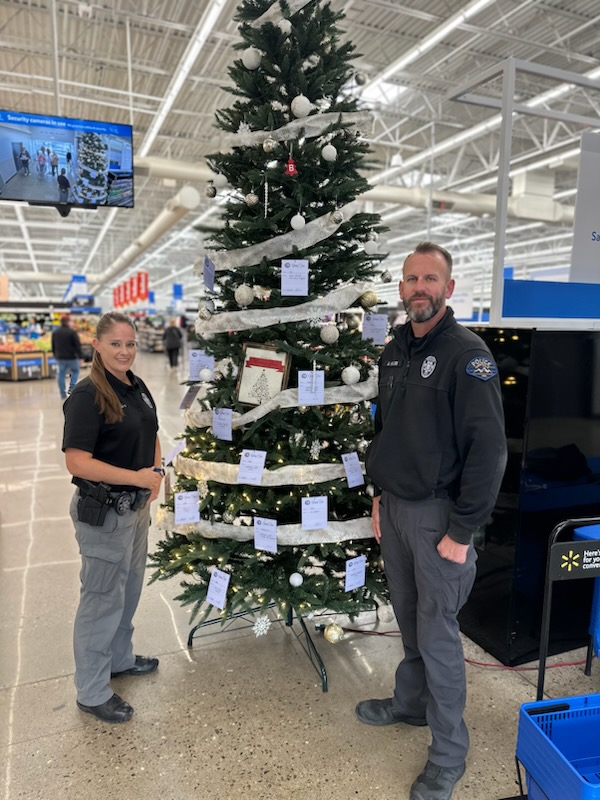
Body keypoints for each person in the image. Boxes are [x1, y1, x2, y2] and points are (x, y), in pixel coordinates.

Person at [359, 242, 507, 800]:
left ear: (448, 286)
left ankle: (448, 755)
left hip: (440, 518)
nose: (419, 287)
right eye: (410, 279)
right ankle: (410, 704)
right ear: (401, 288)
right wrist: (379, 493)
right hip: (395, 511)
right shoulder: (394, 350)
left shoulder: (468, 356)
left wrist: (461, 532)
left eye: (430, 279)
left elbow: (489, 452)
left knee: (440, 635)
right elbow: (387, 431)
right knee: (409, 620)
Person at [62, 311, 164, 724]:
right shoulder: (87, 396)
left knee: (128, 589)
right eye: (116, 344)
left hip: (135, 508)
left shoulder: (134, 385)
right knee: (101, 599)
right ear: (97, 346)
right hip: (103, 512)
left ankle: (119, 658)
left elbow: (152, 432)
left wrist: (155, 475)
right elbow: (78, 462)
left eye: (131, 343)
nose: (125, 351)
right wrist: (135, 477)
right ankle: (91, 690)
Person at [51, 315, 83, 399]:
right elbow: (77, 346)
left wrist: (55, 354)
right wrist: (80, 357)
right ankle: (71, 388)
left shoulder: (55, 332)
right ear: (68, 322)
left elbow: (53, 345)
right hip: (72, 357)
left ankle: (62, 393)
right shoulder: (72, 332)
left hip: (60, 357)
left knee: (61, 374)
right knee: (75, 371)